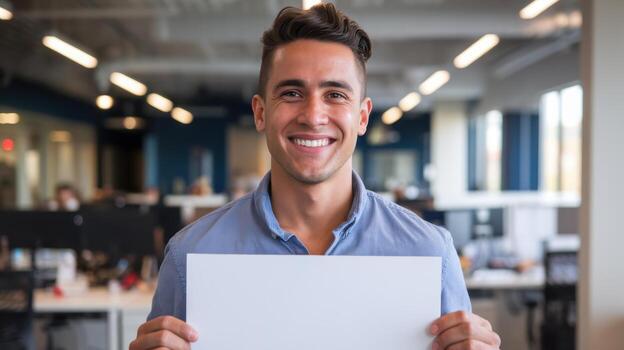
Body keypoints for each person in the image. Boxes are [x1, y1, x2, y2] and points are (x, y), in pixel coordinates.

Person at [130, 4, 501, 350]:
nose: (313, 115)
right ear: (260, 113)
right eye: (292, 92)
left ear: (362, 116)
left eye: (335, 94)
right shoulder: (191, 255)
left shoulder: (429, 252)